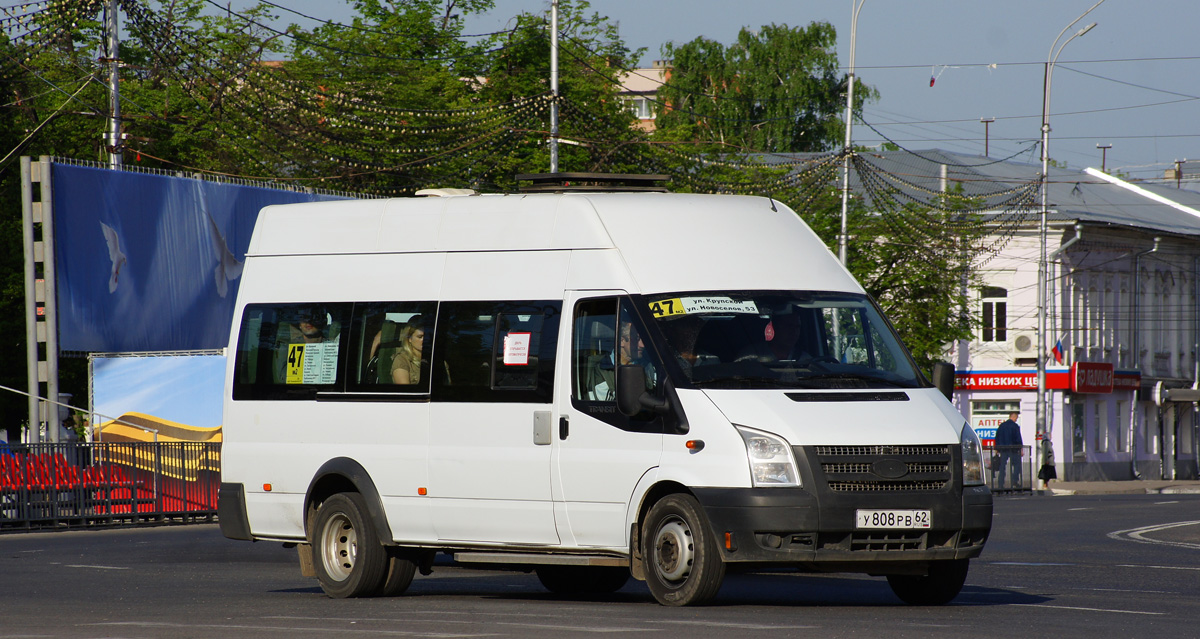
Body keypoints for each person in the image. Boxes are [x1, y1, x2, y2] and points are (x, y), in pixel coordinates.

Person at [390, 317, 425, 385]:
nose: (424, 340)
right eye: (420, 337)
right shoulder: (402, 360)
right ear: (410, 339)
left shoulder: (436, 359)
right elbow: (405, 392)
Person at [995, 411, 1024, 489]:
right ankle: (1014, 480)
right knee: (1017, 464)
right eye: (1016, 418)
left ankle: (1000, 483)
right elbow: (1018, 438)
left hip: (1003, 449)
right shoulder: (1015, 426)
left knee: (1002, 467)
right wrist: (1020, 448)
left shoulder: (1001, 426)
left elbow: (997, 437)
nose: (1016, 420)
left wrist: (997, 449)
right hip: (1013, 449)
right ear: (1013, 417)